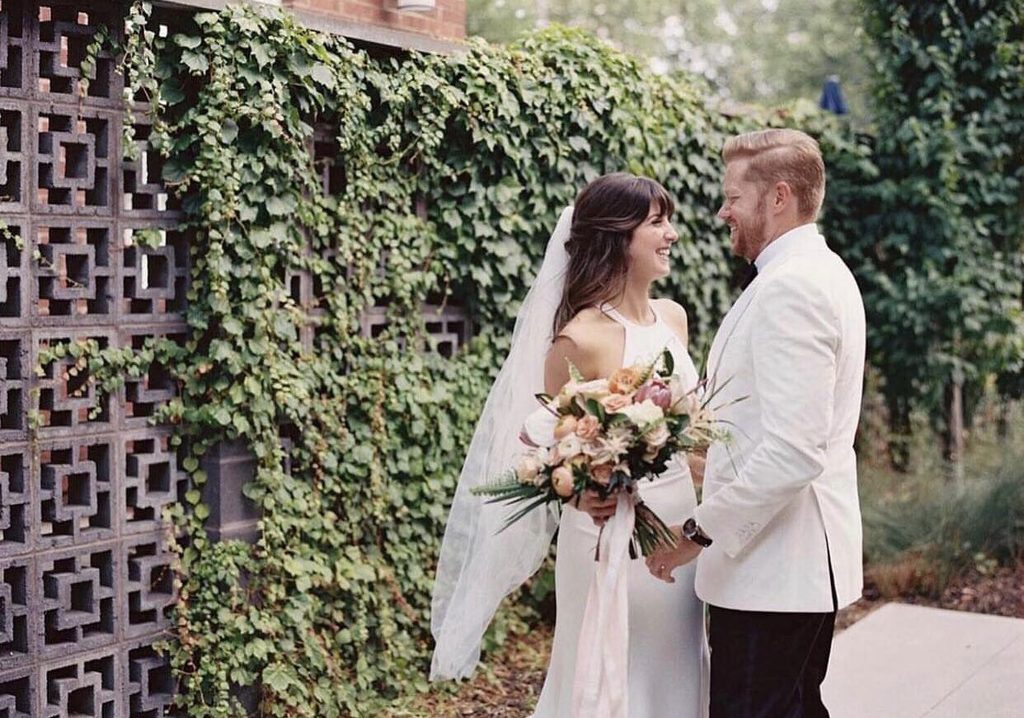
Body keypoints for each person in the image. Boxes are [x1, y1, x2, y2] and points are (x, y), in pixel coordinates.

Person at [431, 172, 708, 718]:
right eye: (657, 222)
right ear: (616, 237)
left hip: (680, 527)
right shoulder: (577, 340)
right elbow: (548, 454)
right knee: (607, 673)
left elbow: (694, 432)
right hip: (609, 535)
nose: (672, 233)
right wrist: (582, 493)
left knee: (679, 664)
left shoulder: (674, 317)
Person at [645, 129, 867, 718]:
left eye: (733, 198)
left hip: (774, 571)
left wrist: (696, 533)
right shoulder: (817, 272)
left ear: (778, 197)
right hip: (790, 573)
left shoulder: (793, 288)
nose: (722, 212)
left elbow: (795, 451)